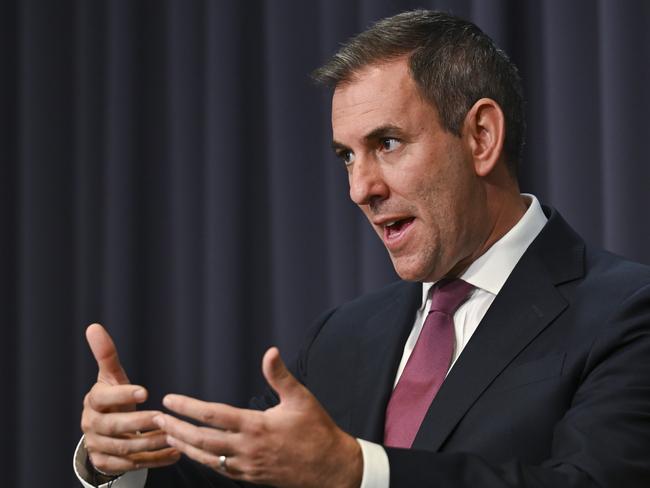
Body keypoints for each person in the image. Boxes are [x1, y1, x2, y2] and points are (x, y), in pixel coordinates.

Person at [74, 9, 650, 488]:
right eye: (347, 156)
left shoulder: (626, 314)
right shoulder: (345, 335)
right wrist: (126, 462)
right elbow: (253, 471)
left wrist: (359, 472)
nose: (360, 189)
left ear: (480, 137)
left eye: (388, 143)